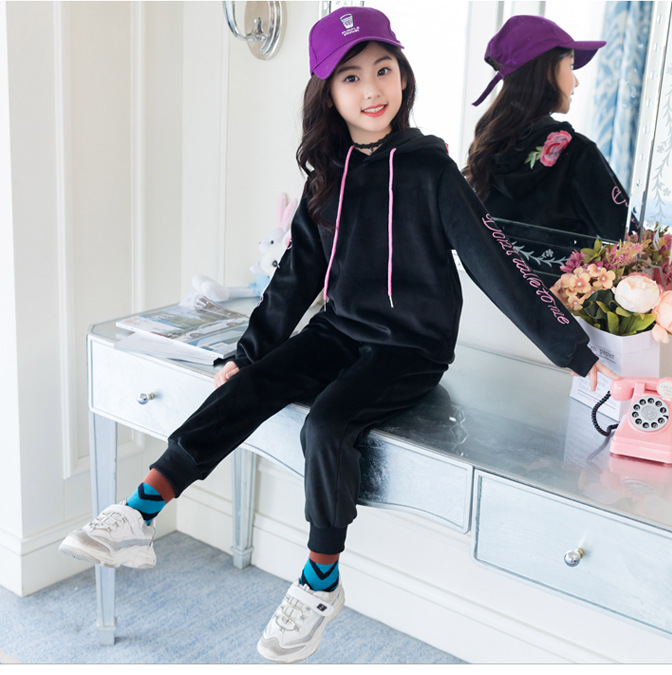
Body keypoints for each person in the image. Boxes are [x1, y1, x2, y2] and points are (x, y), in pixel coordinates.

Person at [59, 7, 615, 664]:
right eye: (351, 77)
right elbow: (295, 276)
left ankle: (320, 581)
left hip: (411, 347)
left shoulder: (432, 170)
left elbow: (496, 265)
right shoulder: (328, 175)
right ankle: (141, 510)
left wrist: (577, 356)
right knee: (249, 385)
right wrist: (248, 354)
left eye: (383, 70)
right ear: (328, 92)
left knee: (326, 425)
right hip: (339, 331)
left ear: (403, 77)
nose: (372, 89)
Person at [464, 15, 638, 282]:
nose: (576, 82)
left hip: (495, 301)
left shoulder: (487, 150)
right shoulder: (578, 153)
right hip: (567, 304)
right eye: (571, 66)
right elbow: (632, 244)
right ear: (547, 71)